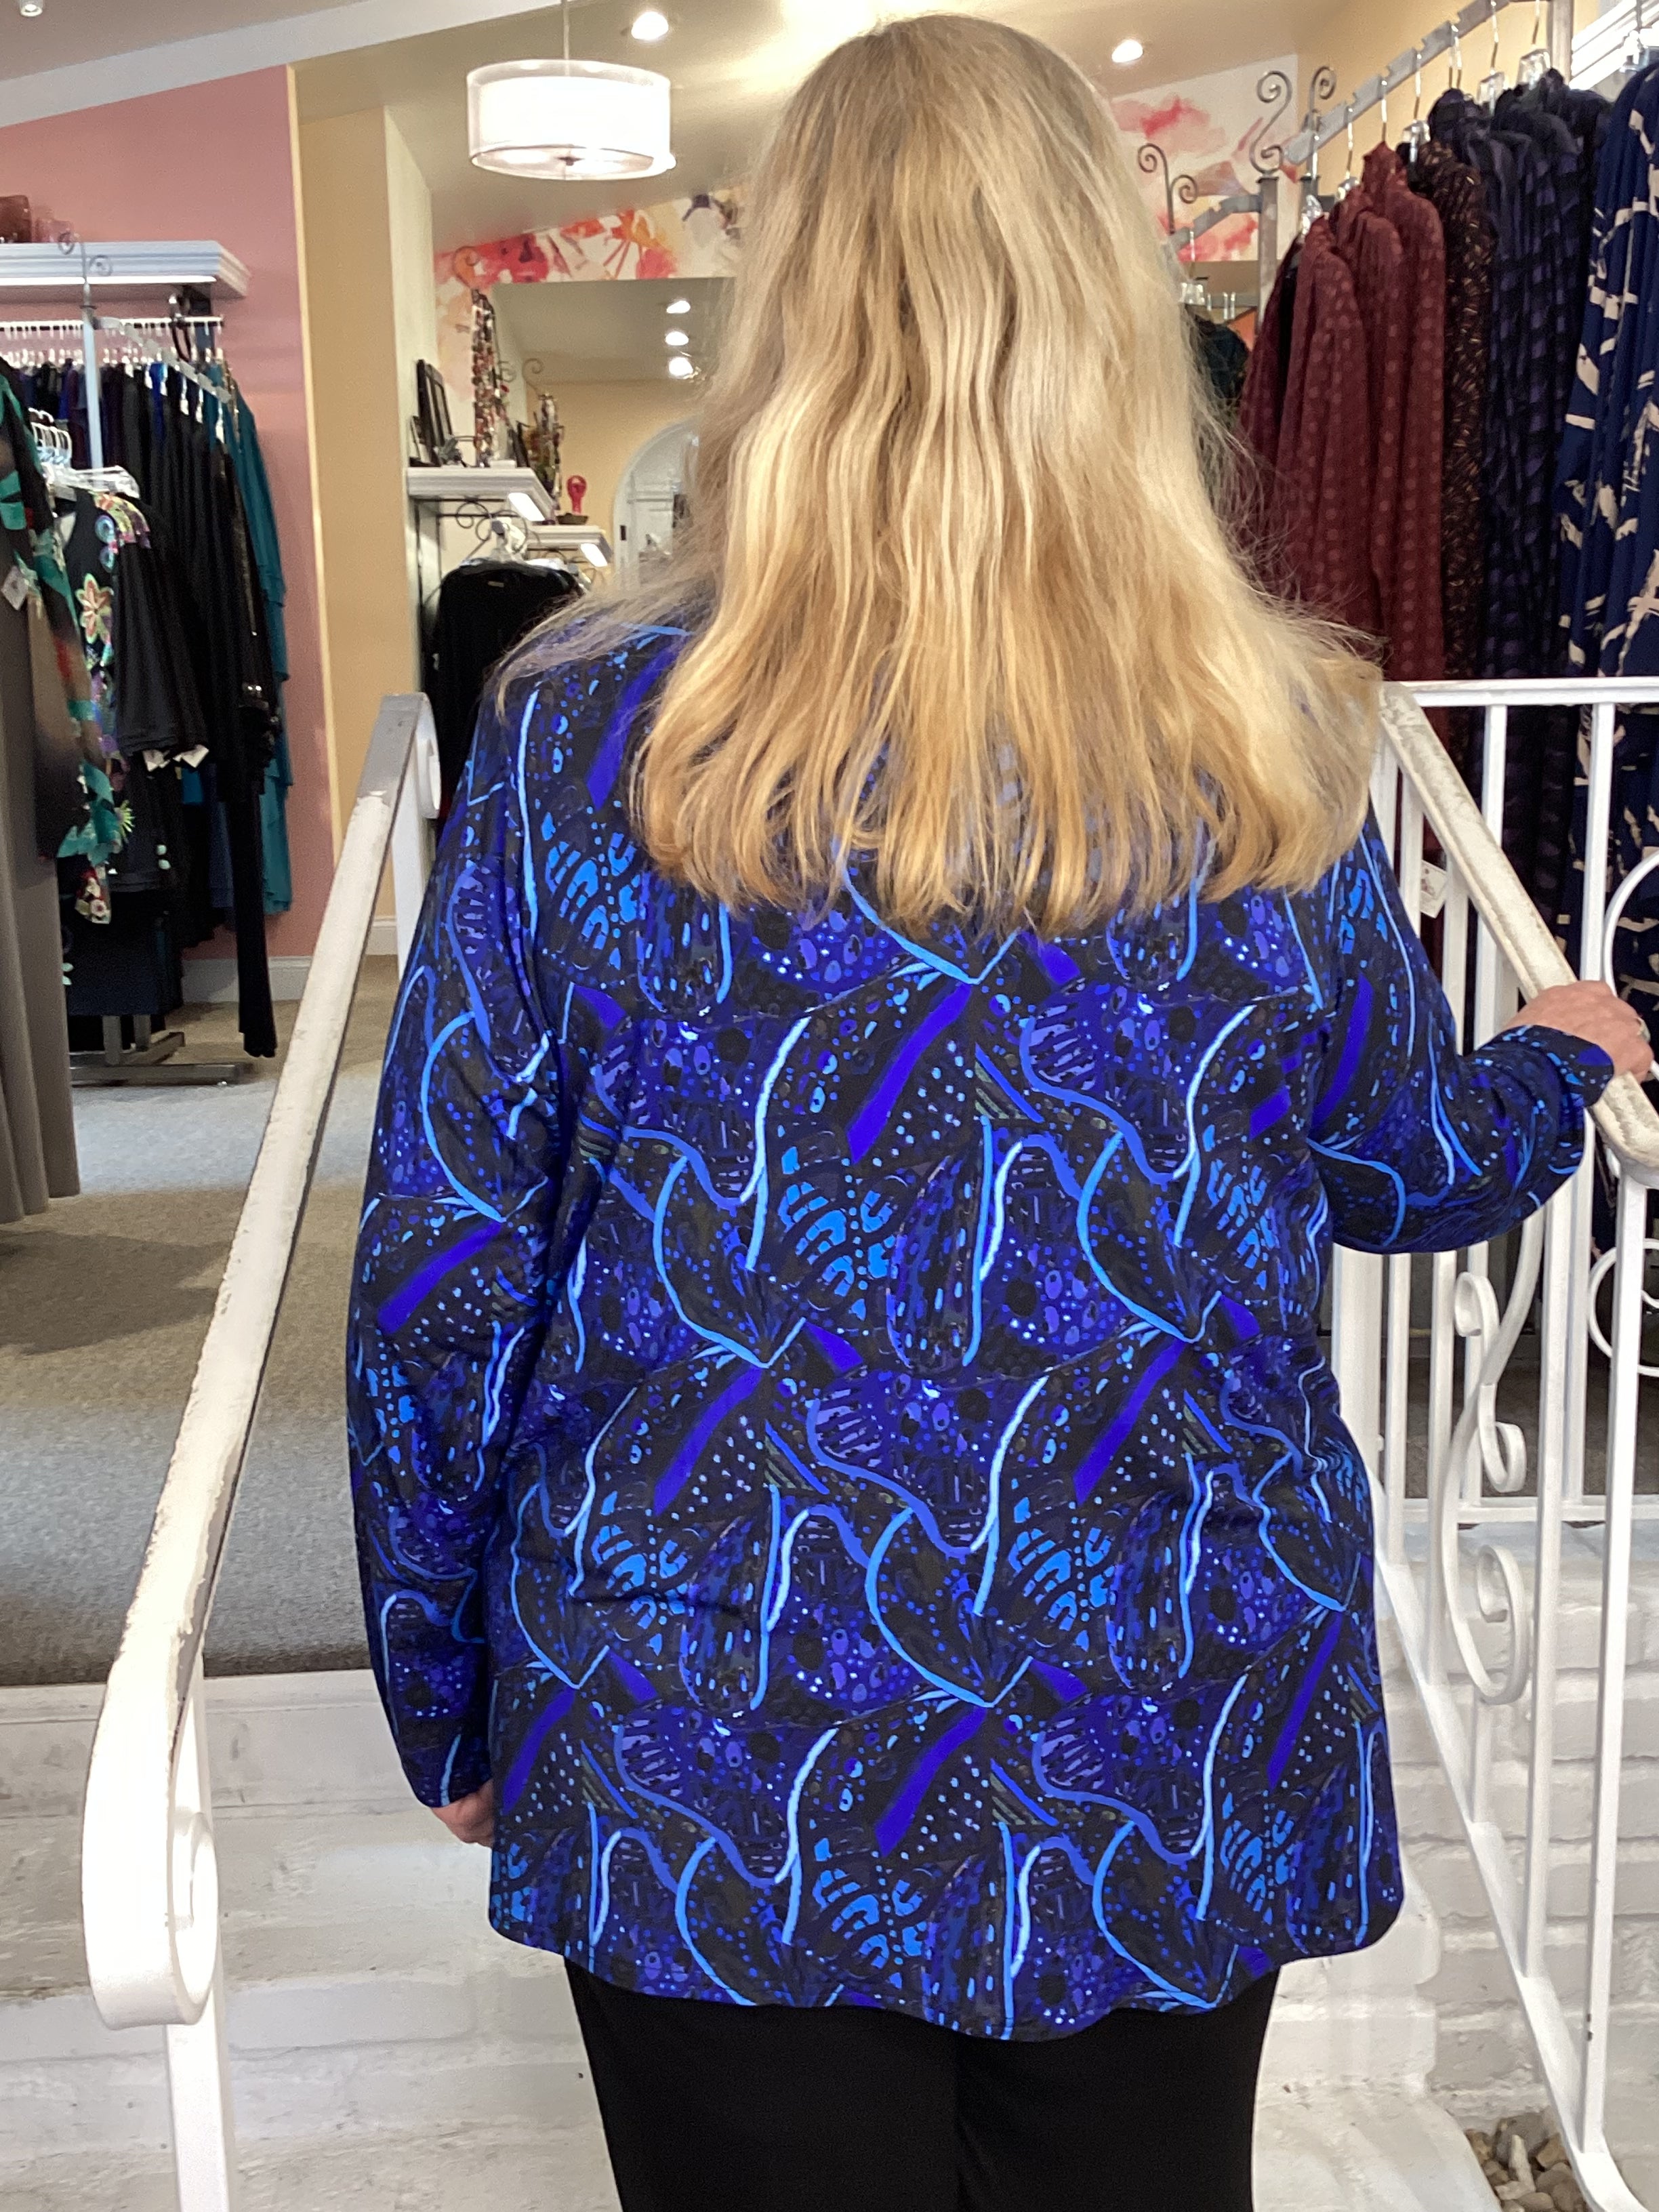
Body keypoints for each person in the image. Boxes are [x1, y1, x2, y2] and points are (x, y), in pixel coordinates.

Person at [346, 18, 1650, 2211]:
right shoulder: (1268, 740)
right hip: (1166, 1700)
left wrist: (447, 1686)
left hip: (707, 1719)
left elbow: (447, 1273)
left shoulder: (580, 744)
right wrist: (1564, 1056)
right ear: (1109, 313)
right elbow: (1391, 1162)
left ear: (789, 312)